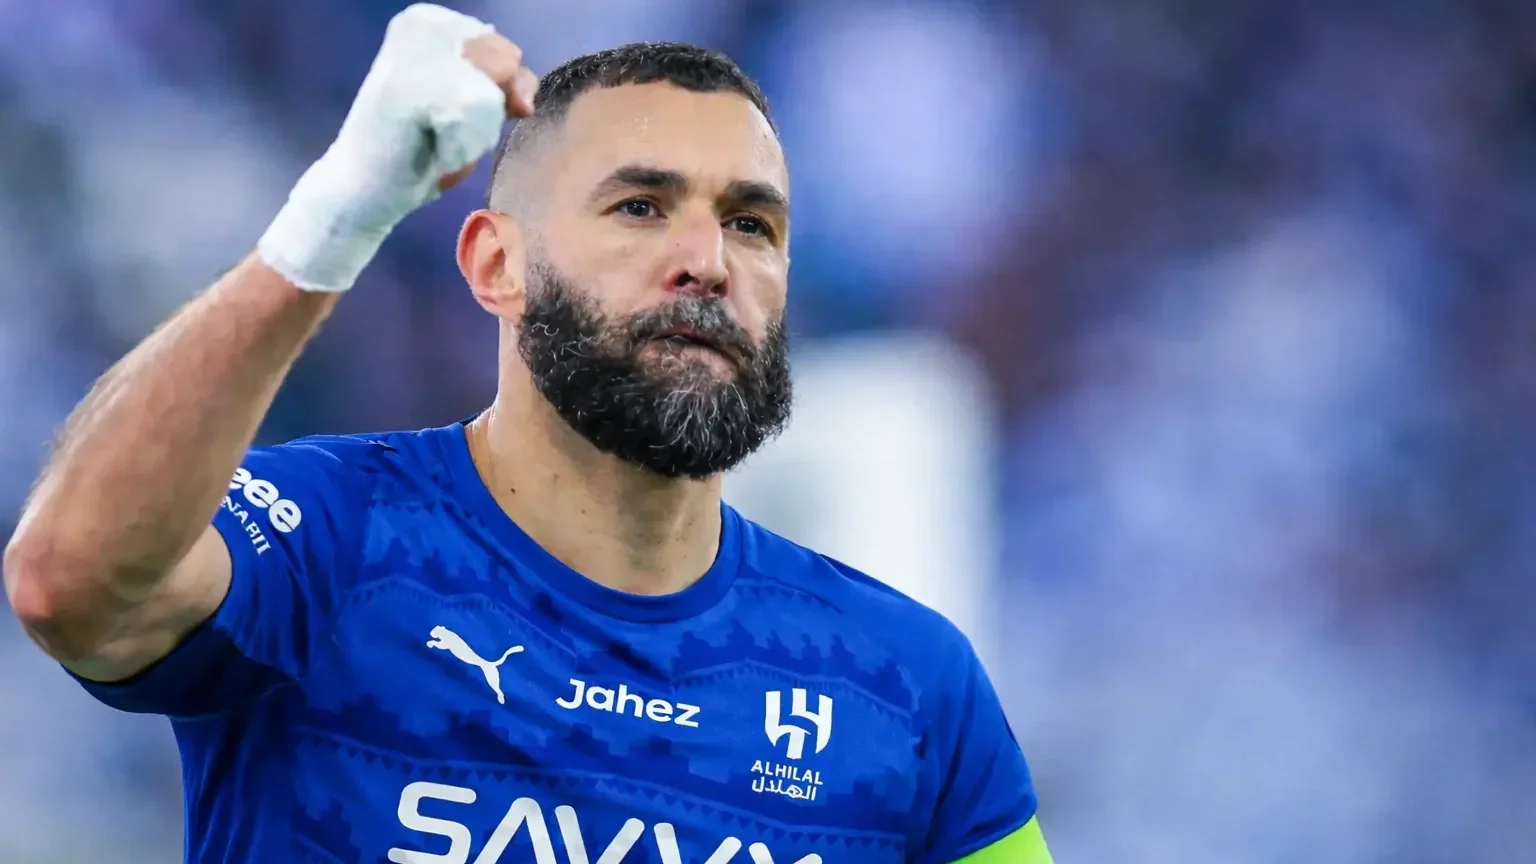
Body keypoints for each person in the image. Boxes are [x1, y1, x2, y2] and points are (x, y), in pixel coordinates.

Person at [2, 5, 1052, 863]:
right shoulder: (336, 542)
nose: (707, 259)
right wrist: (335, 215)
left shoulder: (907, 679)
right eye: (640, 207)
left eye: (751, 223)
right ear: (495, 265)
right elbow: (71, 584)